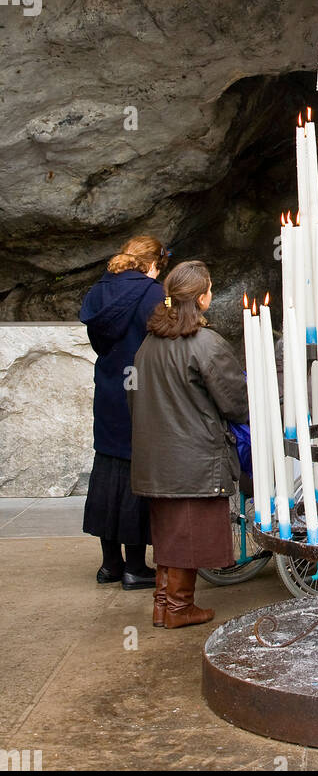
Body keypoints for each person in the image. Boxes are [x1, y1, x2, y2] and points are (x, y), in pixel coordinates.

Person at [129, 261, 249, 629]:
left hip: (156, 458)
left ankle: (164, 605)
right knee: (189, 534)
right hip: (195, 458)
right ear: (201, 297)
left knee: (170, 532)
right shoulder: (205, 343)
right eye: (210, 288)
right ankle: (179, 608)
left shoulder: (149, 343)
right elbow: (237, 402)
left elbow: (133, 397)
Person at [80, 235, 168, 588]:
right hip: (143, 389)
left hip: (109, 386)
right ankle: (135, 566)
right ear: (153, 262)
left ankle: (110, 565)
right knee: (137, 471)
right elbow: (164, 337)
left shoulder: (100, 288)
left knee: (108, 467)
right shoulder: (151, 292)